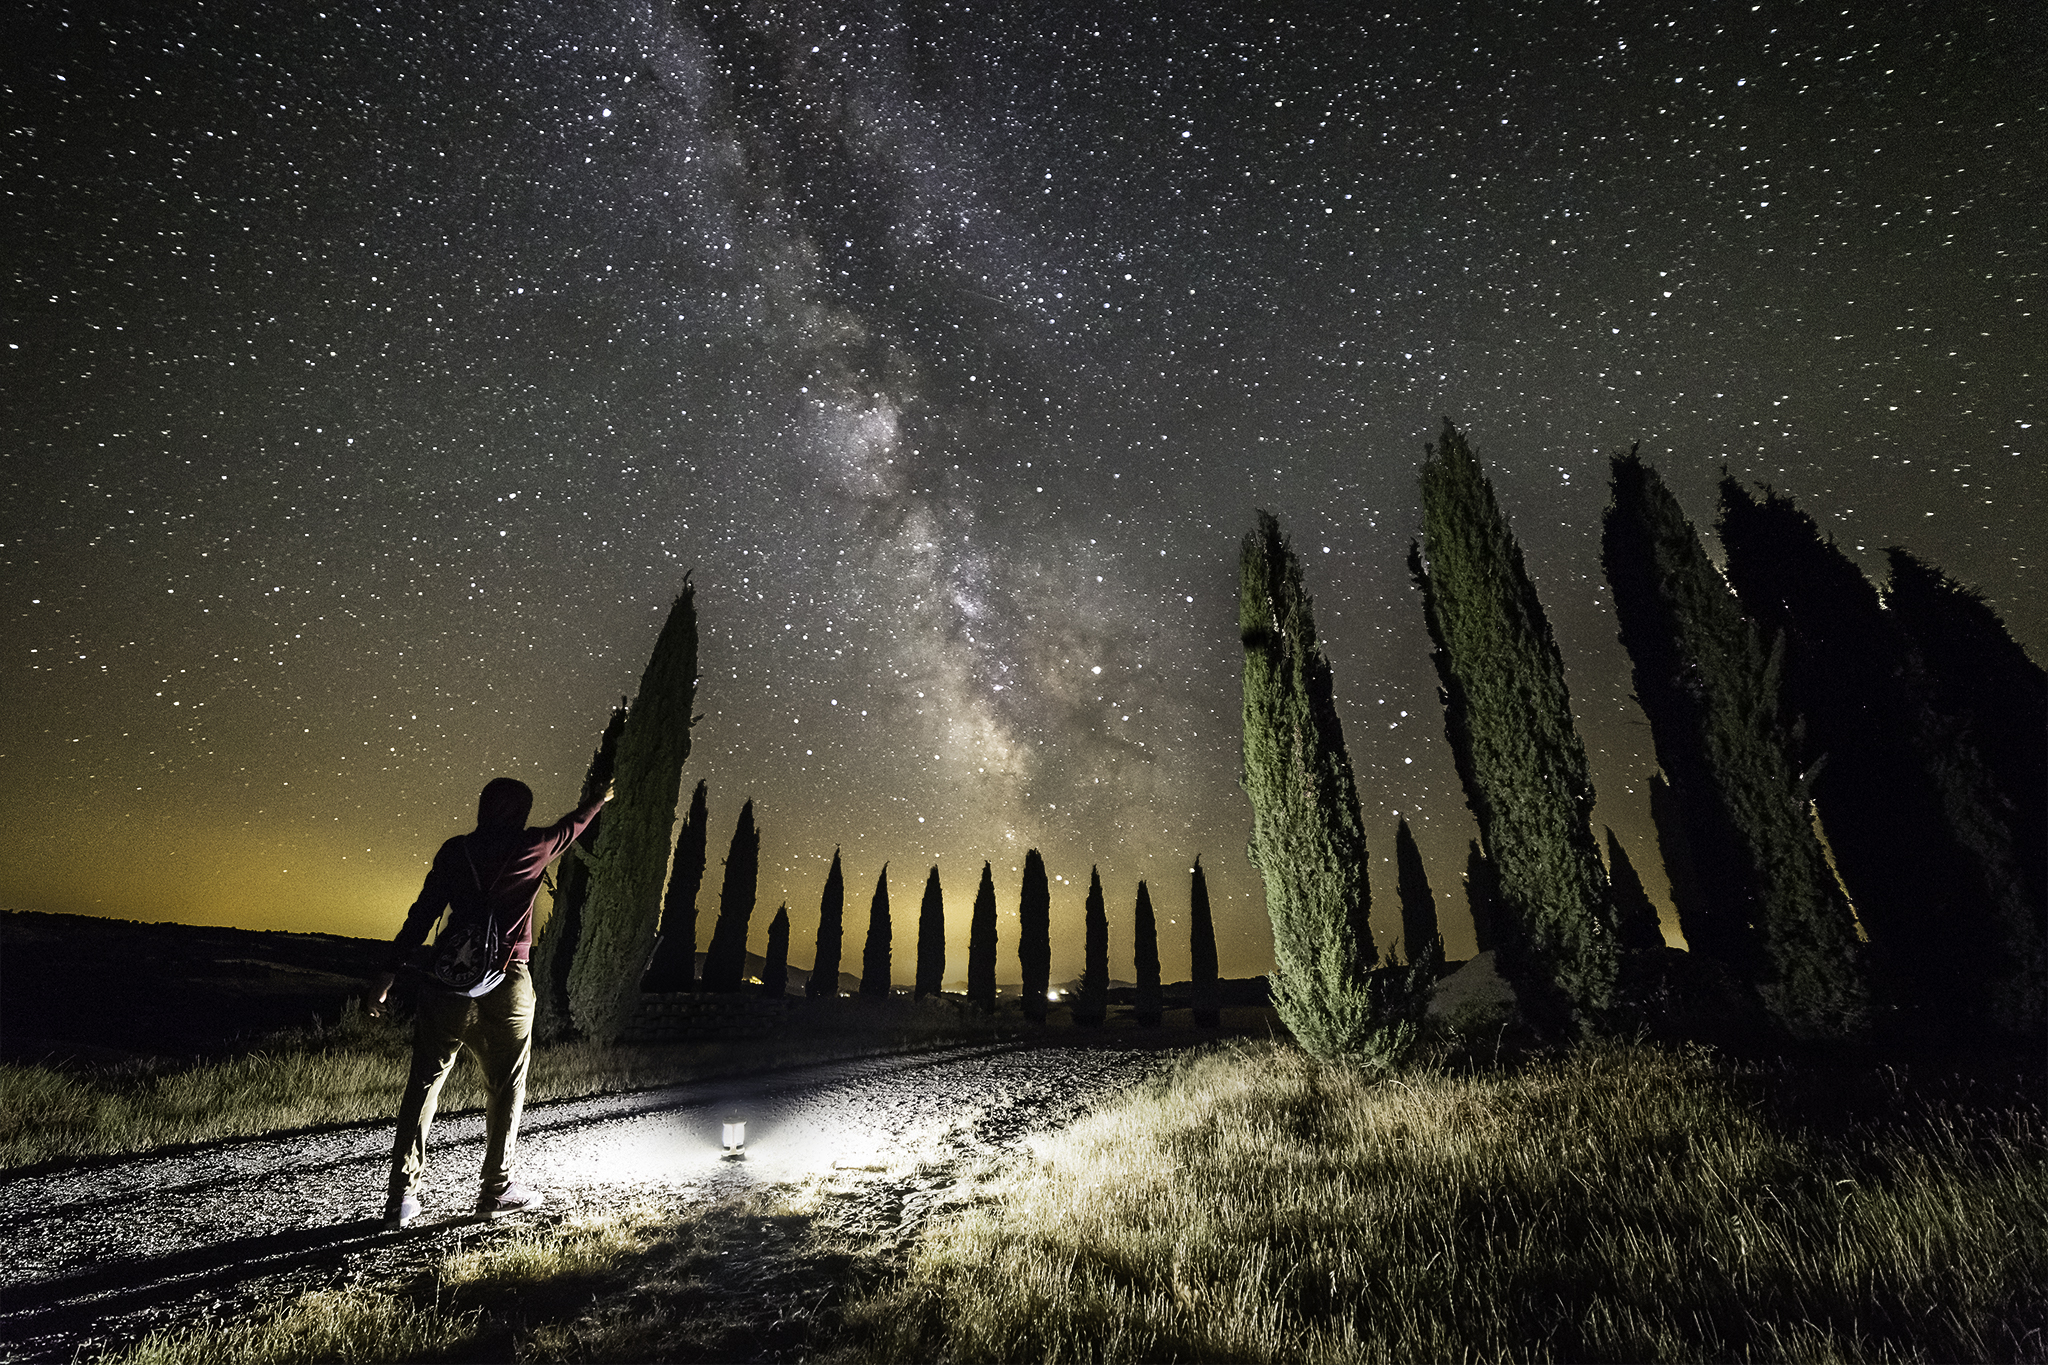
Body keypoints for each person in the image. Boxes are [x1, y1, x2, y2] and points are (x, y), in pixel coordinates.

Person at [368, 776, 610, 1229]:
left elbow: (422, 914)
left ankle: (400, 1199)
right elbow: (573, 826)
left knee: (424, 1084)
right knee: (506, 1083)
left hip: (447, 977)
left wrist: (387, 973)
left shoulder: (454, 852)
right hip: (507, 977)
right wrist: (600, 797)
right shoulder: (533, 846)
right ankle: (495, 1189)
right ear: (521, 812)